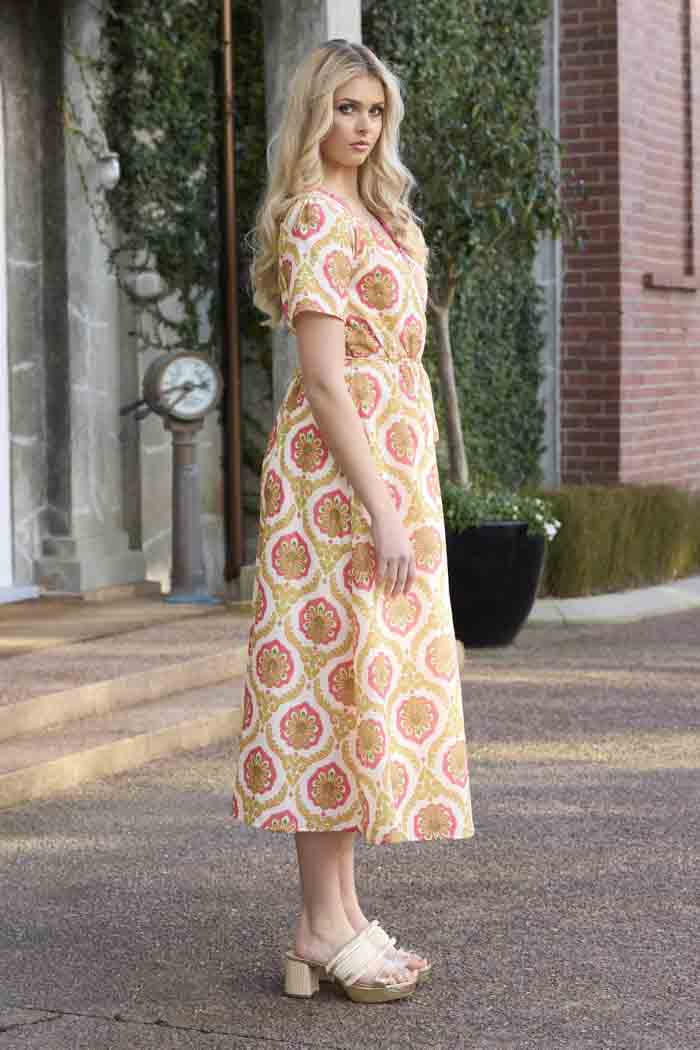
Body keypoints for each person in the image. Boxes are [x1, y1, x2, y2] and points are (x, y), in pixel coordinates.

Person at [231, 38, 475, 1004]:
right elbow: (327, 383)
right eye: (345, 108)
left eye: (375, 110)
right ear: (315, 114)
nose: (363, 126)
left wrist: (405, 497)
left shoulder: (383, 216)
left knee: (353, 690)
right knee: (324, 686)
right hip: (337, 487)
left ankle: (335, 914)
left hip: (388, 470)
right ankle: (320, 922)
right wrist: (383, 510)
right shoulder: (314, 218)